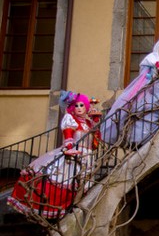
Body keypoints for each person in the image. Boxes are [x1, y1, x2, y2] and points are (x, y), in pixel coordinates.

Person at [8, 91, 102, 219]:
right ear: (71, 107)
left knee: (81, 185)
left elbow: (95, 143)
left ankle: (74, 208)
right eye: (76, 105)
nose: (79, 108)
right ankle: (59, 211)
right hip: (74, 155)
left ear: (86, 107)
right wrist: (69, 148)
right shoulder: (71, 119)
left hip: (87, 157)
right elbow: (68, 135)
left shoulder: (89, 123)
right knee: (64, 179)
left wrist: (95, 124)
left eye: (81, 105)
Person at [103, 28, 159, 147]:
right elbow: (145, 75)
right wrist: (155, 74)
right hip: (152, 88)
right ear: (158, 48)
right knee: (146, 109)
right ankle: (142, 138)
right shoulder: (151, 59)